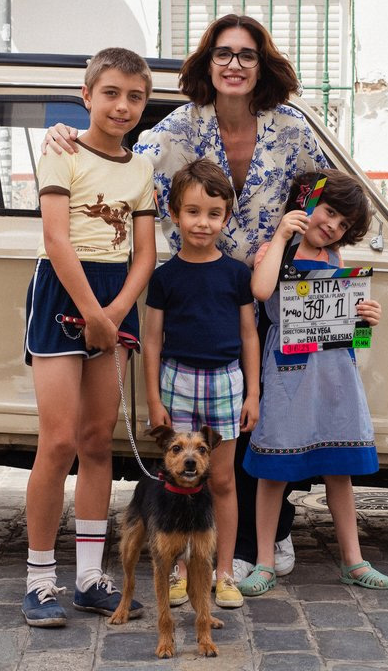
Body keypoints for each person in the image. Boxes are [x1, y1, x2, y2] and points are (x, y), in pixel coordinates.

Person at [44, 14, 329, 579]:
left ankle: (273, 529)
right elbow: (122, 163)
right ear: (207, 62)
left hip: (270, 292)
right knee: (211, 422)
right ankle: (209, 547)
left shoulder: (291, 125)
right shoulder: (179, 127)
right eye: (223, 54)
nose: (234, 65)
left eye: (246, 55)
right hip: (196, 287)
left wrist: (294, 236)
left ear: (261, 64)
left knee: (265, 412)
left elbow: (320, 184)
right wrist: (69, 137)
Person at [21, 47, 158, 627]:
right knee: (57, 442)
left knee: (98, 440)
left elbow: (145, 251)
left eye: (134, 96)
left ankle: (89, 577)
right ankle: (38, 579)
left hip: (114, 295)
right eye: (111, 93)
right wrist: (93, 314)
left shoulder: (141, 168)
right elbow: (57, 240)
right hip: (63, 292)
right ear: (87, 96)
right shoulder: (61, 151)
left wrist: (118, 312)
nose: (122, 105)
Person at [236, 170, 388, 597]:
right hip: (287, 374)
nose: (332, 226)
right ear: (308, 205)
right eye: (329, 213)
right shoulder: (274, 251)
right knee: (273, 471)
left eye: (343, 225)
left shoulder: (335, 260)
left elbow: (346, 326)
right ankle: (264, 561)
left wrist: (365, 316)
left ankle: (353, 560)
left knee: (339, 469)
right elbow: (261, 289)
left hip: (333, 374)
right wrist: (284, 234)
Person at [143, 159, 259, 610]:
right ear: (174, 212)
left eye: (213, 213)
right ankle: (180, 570)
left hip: (227, 382)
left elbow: (249, 334)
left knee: (223, 481)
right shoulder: (164, 277)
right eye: (192, 211)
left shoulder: (235, 274)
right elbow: (152, 341)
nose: (202, 223)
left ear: (226, 217)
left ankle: (223, 571)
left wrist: (253, 392)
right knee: (178, 483)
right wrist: (154, 398)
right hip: (178, 381)